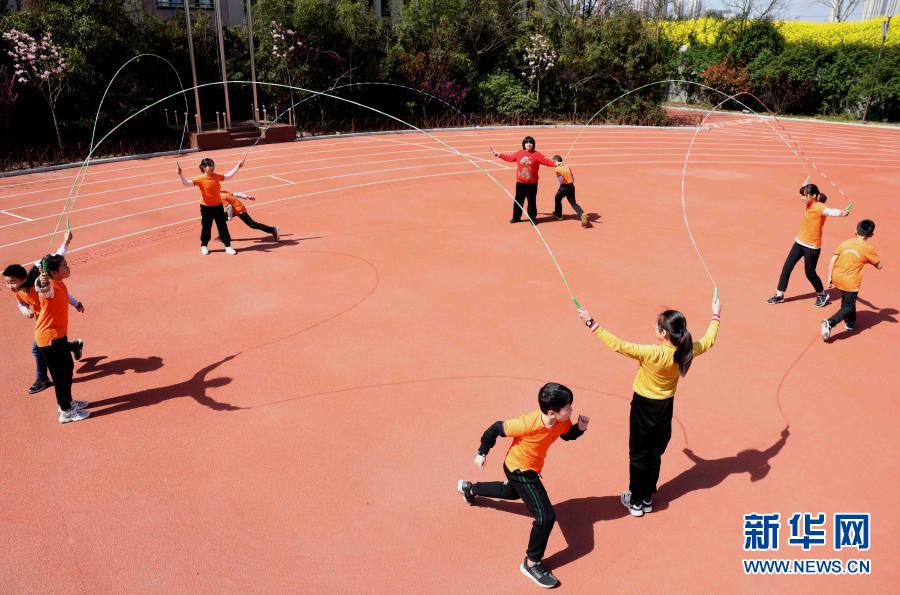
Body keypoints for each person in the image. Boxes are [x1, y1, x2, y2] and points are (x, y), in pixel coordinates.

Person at [577, 293, 720, 517]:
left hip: (643, 407)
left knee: (638, 454)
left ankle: (635, 501)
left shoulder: (651, 353)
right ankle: (646, 497)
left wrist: (590, 322)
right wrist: (715, 315)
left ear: (663, 333)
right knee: (654, 452)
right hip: (665, 408)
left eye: (657, 326)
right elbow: (709, 340)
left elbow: (618, 345)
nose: (654, 327)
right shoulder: (687, 350)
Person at [457, 382, 589, 588]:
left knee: (512, 492)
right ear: (552, 413)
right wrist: (481, 452)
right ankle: (531, 563)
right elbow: (495, 428)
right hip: (519, 469)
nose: (571, 410)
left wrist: (580, 428)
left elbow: (566, 434)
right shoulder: (527, 423)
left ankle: (470, 488)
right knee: (546, 517)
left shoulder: (562, 421)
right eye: (568, 407)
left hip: (530, 468)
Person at [2, 231, 83, 395]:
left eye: (12, 282)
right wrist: (24, 310)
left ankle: (43, 379)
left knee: (38, 349)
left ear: (23, 279)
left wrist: (66, 242)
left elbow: (57, 258)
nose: (9, 286)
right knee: (51, 347)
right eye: (7, 283)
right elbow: (21, 303)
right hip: (43, 323)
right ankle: (74, 346)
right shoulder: (19, 291)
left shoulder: (39, 283)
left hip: (51, 323)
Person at [766, 183, 848, 307]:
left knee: (810, 273)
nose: (802, 198)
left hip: (812, 247)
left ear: (813, 196)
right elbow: (806, 189)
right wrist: (804, 186)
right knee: (787, 267)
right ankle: (779, 295)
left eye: (804, 195)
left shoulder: (819, 207)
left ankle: (822, 294)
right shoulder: (809, 203)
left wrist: (842, 213)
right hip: (799, 242)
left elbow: (830, 211)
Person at [34, 254, 90, 423]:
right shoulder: (50, 287)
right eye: (64, 266)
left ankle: (68, 402)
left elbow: (65, 295)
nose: (68, 267)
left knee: (67, 368)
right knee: (60, 376)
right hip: (49, 339)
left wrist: (76, 304)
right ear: (53, 272)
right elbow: (44, 291)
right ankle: (66, 412)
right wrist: (42, 283)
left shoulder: (59, 283)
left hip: (58, 336)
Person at [821, 219, 883, 340]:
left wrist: (829, 277)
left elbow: (833, 260)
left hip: (836, 277)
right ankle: (830, 322)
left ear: (856, 230)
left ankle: (850, 322)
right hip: (850, 282)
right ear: (871, 235)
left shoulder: (845, 243)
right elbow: (879, 266)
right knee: (848, 306)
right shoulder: (868, 249)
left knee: (849, 300)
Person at [177, 157, 244, 255]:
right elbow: (186, 183)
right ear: (204, 167)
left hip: (218, 206)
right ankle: (204, 245)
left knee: (222, 226)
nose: (212, 167)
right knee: (206, 226)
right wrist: (180, 174)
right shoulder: (200, 178)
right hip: (206, 207)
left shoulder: (216, 176)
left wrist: (238, 166)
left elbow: (228, 176)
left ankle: (228, 246)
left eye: (213, 165)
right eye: (210, 165)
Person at [491, 136, 556, 224]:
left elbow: (546, 161)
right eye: (526, 142)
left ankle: (532, 218)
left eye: (530, 142)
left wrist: (556, 163)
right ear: (524, 144)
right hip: (520, 183)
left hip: (532, 183)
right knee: (518, 201)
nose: (528, 144)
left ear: (533, 144)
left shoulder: (537, 154)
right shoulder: (519, 153)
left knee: (531, 201)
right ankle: (516, 217)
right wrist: (499, 155)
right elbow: (510, 158)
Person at [550, 155, 588, 228]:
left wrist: (559, 187)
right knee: (573, 203)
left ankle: (558, 215)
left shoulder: (557, 169)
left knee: (557, 198)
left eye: (553, 162)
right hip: (571, 186)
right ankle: (581, 214)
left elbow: (560, 179)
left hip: (564, 187)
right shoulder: (567, 167)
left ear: (556, 161)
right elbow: (573, 178)